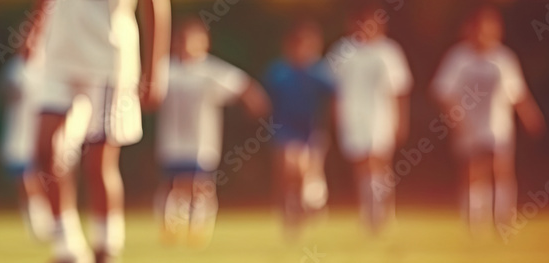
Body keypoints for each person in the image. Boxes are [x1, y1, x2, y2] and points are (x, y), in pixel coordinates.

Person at [25, 0, 170, 263]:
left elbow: (156, 5)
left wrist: (155, 70)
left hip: (107, 58)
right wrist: (35, 27)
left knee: (97, 161)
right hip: (58, 55)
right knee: (44, 149)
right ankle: (70, 249)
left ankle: (106, 251)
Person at [431, 6, 545, 236]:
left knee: (501, 167)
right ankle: (475, 219)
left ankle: (504, 217)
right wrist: (456, 117)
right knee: (474, 170)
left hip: (498, 125)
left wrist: (530, 115)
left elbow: (517, 92)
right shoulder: (458, 57)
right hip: (468, 125)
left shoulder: (504, 58)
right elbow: (442, 91)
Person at [156, 18, 270, 247]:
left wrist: (257, 104)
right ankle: (170, 226)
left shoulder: (211, 71)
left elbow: (243, 86)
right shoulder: (166, 70)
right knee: (174, 185)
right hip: (172, 140)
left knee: (199, 185)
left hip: (202, 141)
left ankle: (198, 228)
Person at [330, 3, 412, 234]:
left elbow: (400, 89)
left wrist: (401, 121)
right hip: (353, 116)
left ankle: (384, 211)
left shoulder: (389, 51)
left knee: (379, 162)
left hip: (382, 115)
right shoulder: (342, 51)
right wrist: (336, 117)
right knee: (361, 164)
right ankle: (368, 212)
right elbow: (334, 89)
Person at [0, 52, 89, 244]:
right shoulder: (16, 68)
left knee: (47, 177)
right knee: (25, 180)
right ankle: (41, 223)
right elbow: (4, 92)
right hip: (20, 135)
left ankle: (58, 223)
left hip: (46, 136)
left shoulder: (51, 66)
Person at [263, 20, 337, 239]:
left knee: (306, 169)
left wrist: (331, 127)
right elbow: (267, 101)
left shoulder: (319, 72)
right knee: (287, 167)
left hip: (311, 130)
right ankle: (289, 209)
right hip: (285, 128)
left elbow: (334, 97)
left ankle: (312, 199)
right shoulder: (279, 72)